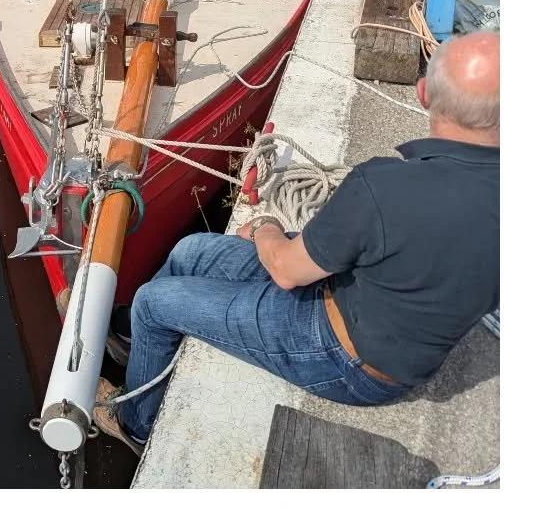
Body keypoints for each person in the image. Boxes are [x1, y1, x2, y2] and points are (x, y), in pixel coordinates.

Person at [91, 31, 500, 453]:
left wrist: (266, 227)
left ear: (423, 94)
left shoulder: (384, 186)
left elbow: (286, 270)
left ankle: (135, 423)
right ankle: (129, 338)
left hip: (344, 356)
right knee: (189, 251)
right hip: (363, 308)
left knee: (157, 302)